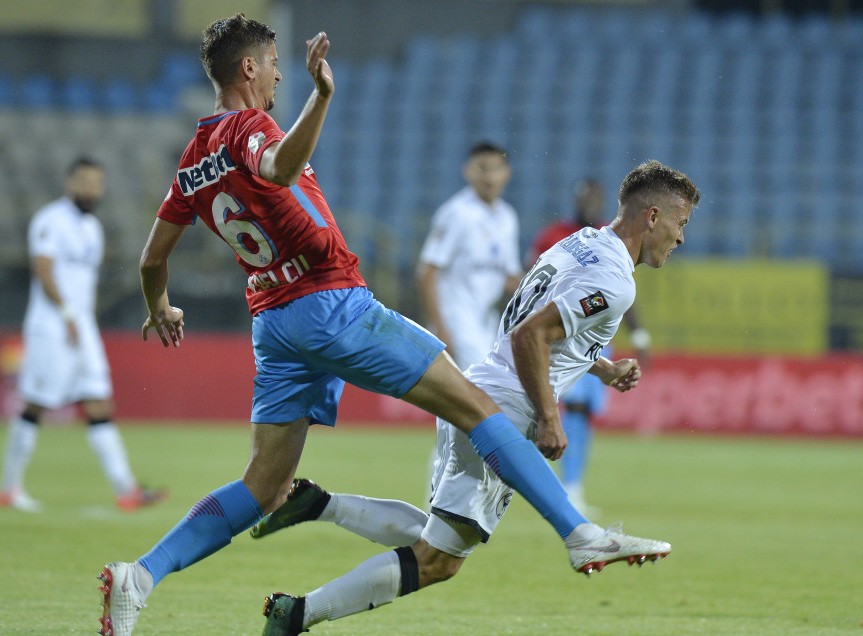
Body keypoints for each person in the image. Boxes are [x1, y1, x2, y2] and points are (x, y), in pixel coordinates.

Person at [97, 16, 671, 636]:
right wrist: (321, 95)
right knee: (481, 410)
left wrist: (159, 305)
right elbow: (282, 168)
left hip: (273, 320)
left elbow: (152, 260)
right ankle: (579, 533)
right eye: (272, 66)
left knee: (263, 485)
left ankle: (142, 574)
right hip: (331, 302)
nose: (278, 76)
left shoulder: (192, 159)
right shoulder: (248, 128)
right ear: (248, 69)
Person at [254, 159, 700, 635]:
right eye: (681, 222)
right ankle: (296, 613)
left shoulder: (582, 243)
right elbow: (531, 335)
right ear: (652, 216)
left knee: (439, 537)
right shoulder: (615, 282)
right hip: (505, 410)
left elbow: (537, 320)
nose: (681, 237)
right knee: (437, 561)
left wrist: (604, 367)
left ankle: (318, 505)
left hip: (477, 389)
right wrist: (549, 417)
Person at [0, 157, 166, 514]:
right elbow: (43, 270)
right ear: (69, 182)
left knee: (99, 402)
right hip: (52, 325)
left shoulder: (92, 228)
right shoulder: (50, 220)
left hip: (82, 326)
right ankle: (9, 488)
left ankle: (127, 490)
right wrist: (68, 312)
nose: (91, 189)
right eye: (84, 181)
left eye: (96, 183)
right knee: (36, 403)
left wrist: (80, 318)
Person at [528, 178, 654, 515]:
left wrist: (638, 334)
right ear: (575, 199)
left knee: (581, 412)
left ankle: (572, 487)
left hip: (596, 343)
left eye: (595, 199)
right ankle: (542, 485)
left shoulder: (609, 243)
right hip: (557, 337)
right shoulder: (557, 236)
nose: (589, 204)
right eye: (584, 198)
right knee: (545, 408)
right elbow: (533, 283)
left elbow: (621, 294)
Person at [417, 141, 522, 371]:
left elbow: (509, 276)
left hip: (486, 321)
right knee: (481, 392)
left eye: (496, 168)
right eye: (481, 168)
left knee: (473, 396)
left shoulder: (507, 217)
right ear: (467, 171)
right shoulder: (457, 213)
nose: (490, 177)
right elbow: (427, 272)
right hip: (457, 320)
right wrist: (441, 327)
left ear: (507, 173)